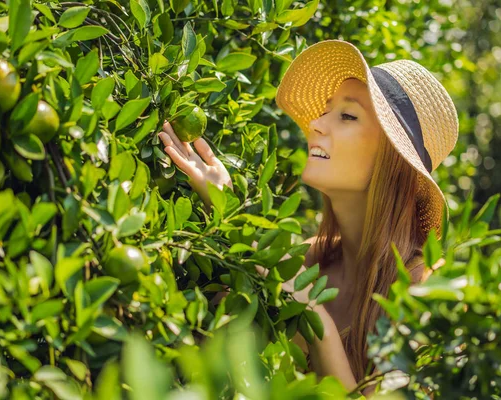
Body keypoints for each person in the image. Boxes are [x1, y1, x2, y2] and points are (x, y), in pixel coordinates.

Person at [157, 39, 459, 396]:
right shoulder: (306, 259)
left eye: (347, 115)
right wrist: (226, 205)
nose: (315, 123)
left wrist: (317, 322)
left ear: (392, 162)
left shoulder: (424, 298)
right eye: (326, 111)